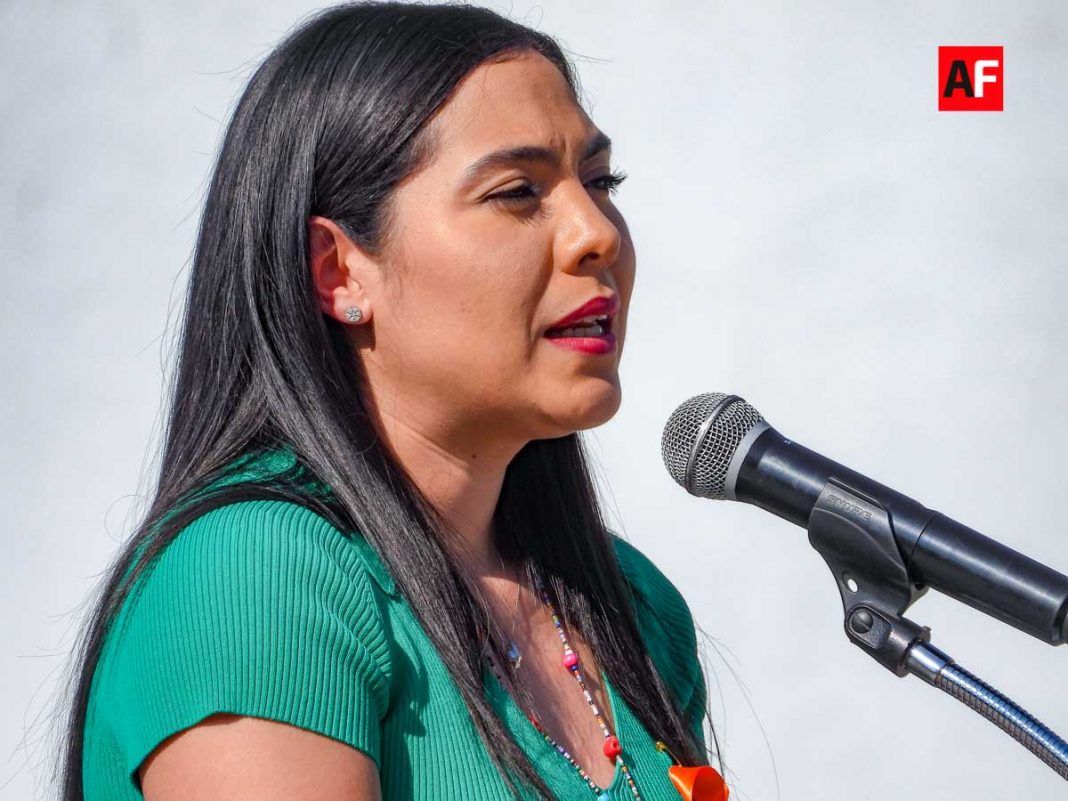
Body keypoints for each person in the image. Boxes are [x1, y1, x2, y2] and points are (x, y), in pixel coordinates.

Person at [56, 2, 721, 799]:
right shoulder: (256, 577)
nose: (598, 233)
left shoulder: (636, 610)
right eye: (517, 191)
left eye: (601, 181)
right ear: (339, 271)